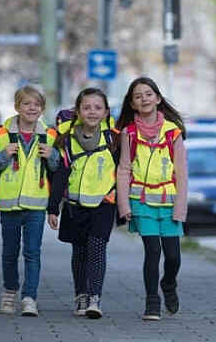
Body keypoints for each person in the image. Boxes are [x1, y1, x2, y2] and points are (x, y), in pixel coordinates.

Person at [0, 84, 59, 316]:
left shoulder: (51, 135)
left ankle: (29, 298)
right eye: (26, 103)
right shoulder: (1, 134)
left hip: (36, 205)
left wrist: (52, 156)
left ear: (42, 109)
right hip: (10, 204)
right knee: (9, 252)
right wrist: (4, 155)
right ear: (17, 107)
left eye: (36, 104)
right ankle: (9, 293)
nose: (31, 108)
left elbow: (59, 169)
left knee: (33, 252)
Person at [116, 77, 187, 321]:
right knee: (153, 251)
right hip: (142, 202)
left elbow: (181, 173)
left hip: (169, 202)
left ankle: (168, 284)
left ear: (157, 98)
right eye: (138, 96)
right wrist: (124, 206)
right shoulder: (129, 134)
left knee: (173, 257)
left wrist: (180, 209)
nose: (144, 99)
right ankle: (152, 302)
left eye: (148, 94)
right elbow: (124, 170)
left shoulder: (172, 133)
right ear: (133, 104)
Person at [47, 88, 119, 319]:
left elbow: (123, 171)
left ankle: (94, 298)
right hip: (74, 205)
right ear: (77, 111)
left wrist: (122, 202)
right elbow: (60, 175)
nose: (92, 112)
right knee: (79, 252)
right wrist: (53, 207)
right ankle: (80, 294)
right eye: (87, 107)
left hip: (103, 204)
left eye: (98, 108)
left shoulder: (113, 139)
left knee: (97, 249)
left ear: (106, 112)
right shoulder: (67, 140)